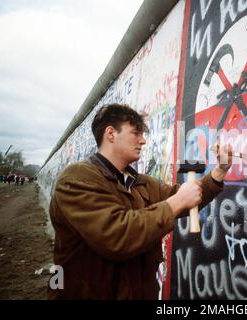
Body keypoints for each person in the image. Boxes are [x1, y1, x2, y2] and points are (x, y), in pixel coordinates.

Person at [48, 103, 232, 299]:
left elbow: (187, 198)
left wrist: (219, 171)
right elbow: (116, 234)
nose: (142, 141)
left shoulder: (141, 183)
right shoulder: (77, 178)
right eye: (135, 133)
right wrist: (177, 202)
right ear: (111, 134)